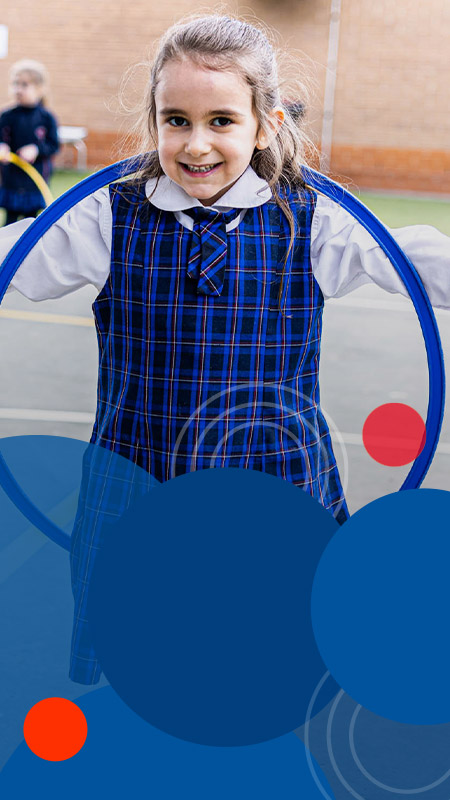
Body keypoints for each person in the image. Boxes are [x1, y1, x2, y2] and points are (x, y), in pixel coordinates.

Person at [0, 14, 449, 684]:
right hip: (139, 487)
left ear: (264, 124)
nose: (196, 142)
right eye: (175, 119)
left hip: (272, 489)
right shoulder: (107, 217)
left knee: (268, 663)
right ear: (153, 119)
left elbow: (414, 256)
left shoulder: (312, 221)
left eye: (221, 121)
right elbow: (18, 257)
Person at [0, 59, 59, 224]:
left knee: (29, 226)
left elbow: (53, 145)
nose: (18, 89)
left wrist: (36, 149)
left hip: (34, 182)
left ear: (39, 89)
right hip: (12, 181)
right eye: (16, 84)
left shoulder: (46, 118)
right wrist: (2, 146)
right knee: (9, 225)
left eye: (24, 85)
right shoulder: (7, 116)